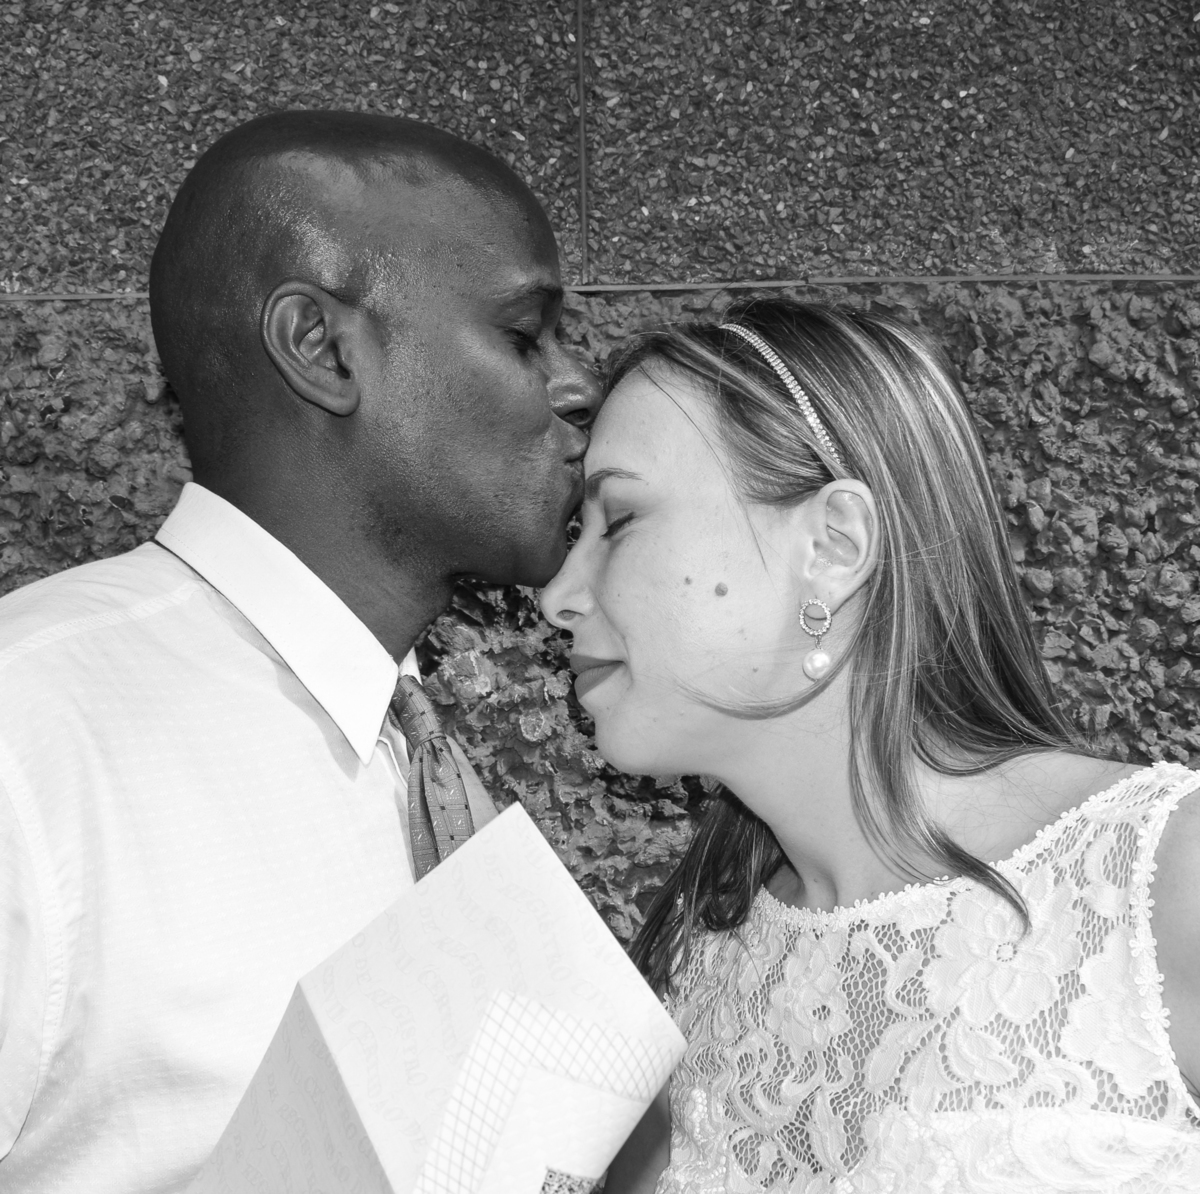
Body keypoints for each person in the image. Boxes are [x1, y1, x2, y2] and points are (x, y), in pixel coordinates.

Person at [0, 111, 600, 1192]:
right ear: (321, 348)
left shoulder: (419, 745)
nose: (576, 386)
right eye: (525, 335)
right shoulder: (30, 734)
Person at [541, 297, 1200, 1192]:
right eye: (572, 536)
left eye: (618, 521)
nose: (560, 596)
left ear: (834, 545)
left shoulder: (1163, 881)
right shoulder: (699, 971)